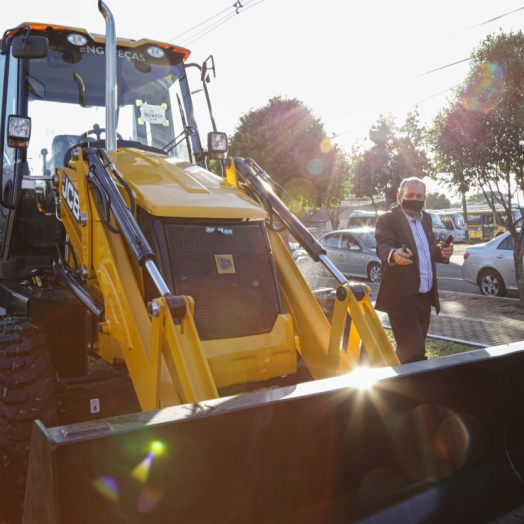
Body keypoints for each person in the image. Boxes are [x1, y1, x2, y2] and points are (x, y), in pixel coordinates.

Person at [374, 177, 454, 364]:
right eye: (410, 195)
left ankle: (393, 385)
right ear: (399, 197)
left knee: (408, 352)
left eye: (419, 196)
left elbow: (425, 251)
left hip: (424, 296)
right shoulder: (388, 219)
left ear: (425, 198)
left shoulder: (426, 218)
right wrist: (393, 254)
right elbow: (382, 245)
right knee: (416, 354)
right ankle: (417, 389)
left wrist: (442, 253)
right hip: (400, 299)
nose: (414, 199)